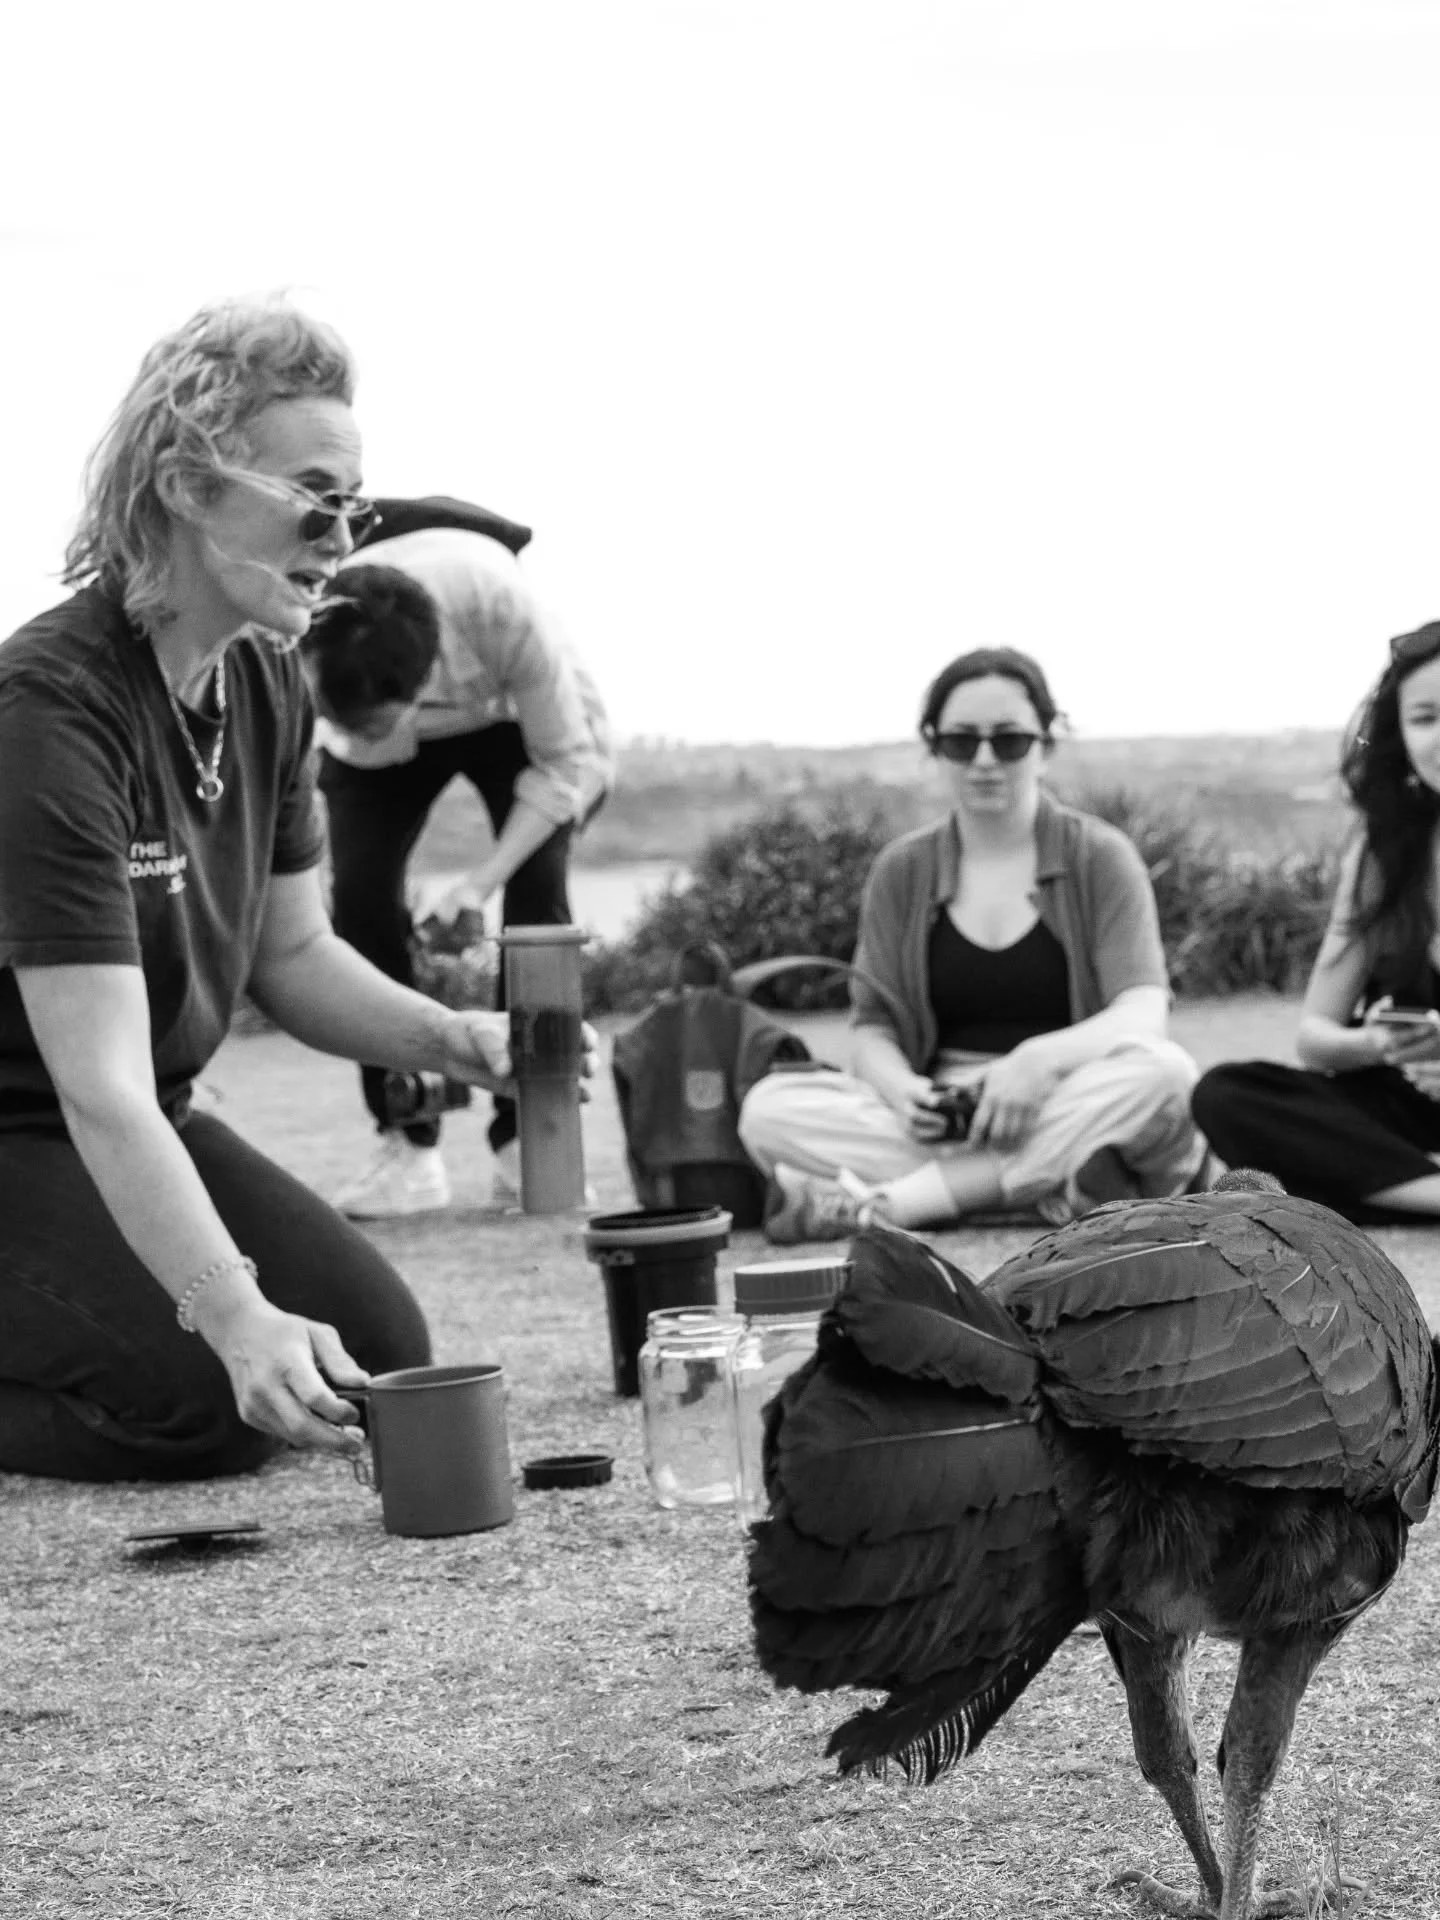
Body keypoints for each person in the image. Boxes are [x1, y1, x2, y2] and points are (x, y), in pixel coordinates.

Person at [0, 298, 589, 1484]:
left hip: (131, 1116)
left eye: (353, 505)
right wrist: (229, 1311)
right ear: (185, 481)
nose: (342, 533)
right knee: (204, 1403)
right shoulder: (48, 712)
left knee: (373, 1351)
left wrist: (463, 1039)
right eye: (314, 495)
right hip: (25, 1125)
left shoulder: (270, 683)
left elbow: (293, 954)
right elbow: (100, 1083)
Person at [736, 648, 1205, 1242]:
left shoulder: (1099, 857)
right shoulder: (902, 870)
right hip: (944, 1119)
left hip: (1066, 1096)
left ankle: (894, 1204)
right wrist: (904, 1092)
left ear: (1045, 745)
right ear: (935, 747)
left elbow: (1143, 1011)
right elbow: (872, 1028)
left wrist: (1036, 1063)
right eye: (962, 742)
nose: (985, 760)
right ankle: (1040, 1189)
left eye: (1009, 741)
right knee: (770, 1110)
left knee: (1164, 1077)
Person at [298, 521, 613, 1218]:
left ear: (423, 682)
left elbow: (568, 764)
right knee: (359, 903)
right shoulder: (304, 621)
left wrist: (479, 883)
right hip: (372, 744)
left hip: (513, 724)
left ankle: (526, 1138)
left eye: (374, 722)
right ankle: (407, 1136)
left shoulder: (505, 615)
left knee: (539, 898)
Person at [1193, 621, 1440, 1219]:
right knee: (1228, 1095)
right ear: (1399, 735)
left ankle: (1381, 1190)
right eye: (1426, 717)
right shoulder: (1383, 856)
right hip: (1404, 1108)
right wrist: (1382, 1044)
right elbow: (1316, 1039)